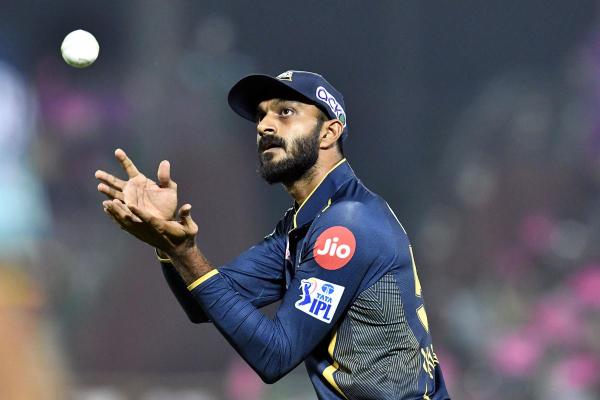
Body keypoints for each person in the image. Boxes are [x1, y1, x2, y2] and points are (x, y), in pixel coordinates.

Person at [96, 70, 450, 399]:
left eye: (285, 112)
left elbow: (275, 356)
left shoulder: (347, 226)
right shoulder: (306, 224)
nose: (264, 125)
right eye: (261, 115)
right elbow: (201, 302)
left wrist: (185, 252)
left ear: (329, 132)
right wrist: (168, 245)